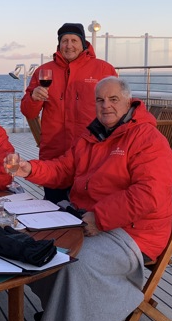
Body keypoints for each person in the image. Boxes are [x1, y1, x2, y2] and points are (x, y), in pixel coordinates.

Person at [13, 76, 172, 321]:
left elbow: (149, 194)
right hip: (89, 222)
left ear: (128, 102)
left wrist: (100, 217)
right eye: (100, 100)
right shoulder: (93, 136)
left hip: (133, 234)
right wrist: (28, 169)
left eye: (113, 100)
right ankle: (61, 315)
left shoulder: (148, 139)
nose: (106, 106)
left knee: (74, 264)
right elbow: (64, 169)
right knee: (37, 247)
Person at [20, 22, 117, 203]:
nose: (69, 45)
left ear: (83, 43)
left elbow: (117, 109)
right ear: (59, 45)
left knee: (87, 211)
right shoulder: (44, 71)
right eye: (65, 41)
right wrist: (33, 97)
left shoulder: (104, 69)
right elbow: (28, 112)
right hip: (54, 155)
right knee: (53, 211)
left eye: (74, 40)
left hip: (91, 154)